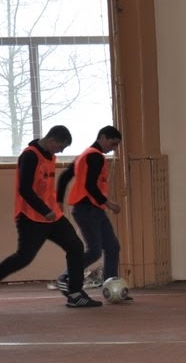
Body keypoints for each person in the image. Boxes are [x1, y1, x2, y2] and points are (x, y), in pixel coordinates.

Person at [0, 125, 101, 311]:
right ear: (52, 140)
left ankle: (75, 294)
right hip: (30, 217)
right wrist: (44, 210)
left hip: (52, 216)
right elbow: (25, 189)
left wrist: (54, 206)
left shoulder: (50, 156)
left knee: (75, 246)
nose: (60, 151)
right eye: (60, 147)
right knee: (23, 258)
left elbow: (46, 187)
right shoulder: (29, 156)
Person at [54, 125, 131, 300]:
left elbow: (64, 177)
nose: (114, 148)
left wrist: (59, 200)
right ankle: (66, 277)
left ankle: (111, 286)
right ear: (102, 137)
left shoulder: (84, 155)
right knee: (95, 251)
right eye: (113, 143)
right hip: (86, 209)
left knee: (112, 247)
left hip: (95, 210)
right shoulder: (94, 156)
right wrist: (109, 203)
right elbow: (90, 186)